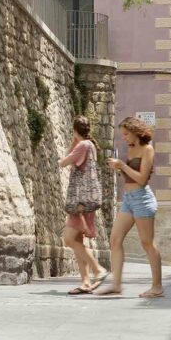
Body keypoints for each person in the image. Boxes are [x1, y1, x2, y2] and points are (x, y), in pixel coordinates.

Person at [95, 116, 163, 298]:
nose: (124, 138)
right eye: (122, 135)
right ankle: (115, 284)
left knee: (147, 243)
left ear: (135, 132)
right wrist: (119, 169)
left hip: (142, 199)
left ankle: (157, 287)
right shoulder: (130, 149)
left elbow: (141, 179)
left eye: (126, 134)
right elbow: (130, 176)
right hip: (128, 199)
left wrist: (122, 166)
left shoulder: (148, 149)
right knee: (115, 240)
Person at [59, 115, 107, 295]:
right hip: (87, 201)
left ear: (74, 129)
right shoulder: (90, 146)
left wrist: (74, 143)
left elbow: (63, 162)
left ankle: (97, 270)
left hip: (79, 202)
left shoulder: (82, 146)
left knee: (69, 239)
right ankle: (85, 282)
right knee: (78, 241)